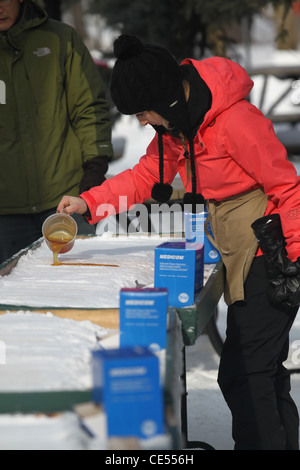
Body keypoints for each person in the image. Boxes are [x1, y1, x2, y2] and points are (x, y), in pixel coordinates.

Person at [57, 34, 300, 450]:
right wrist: (88, 201)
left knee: (244, 372)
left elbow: (288, 186)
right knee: (264, 370)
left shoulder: (234, 121)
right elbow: (143, 177)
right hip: (237, 247)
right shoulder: (178, 129)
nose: (141, 122)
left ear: (168, 99)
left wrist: (293, 259)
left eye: (144, 112)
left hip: (270, 249)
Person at [0, 0, 113, 264]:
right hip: (5, 213)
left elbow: (89, 107)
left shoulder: (60, 39)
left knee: (76, 290)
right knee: (13, 302)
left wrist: (95, 165)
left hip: (66, 200)